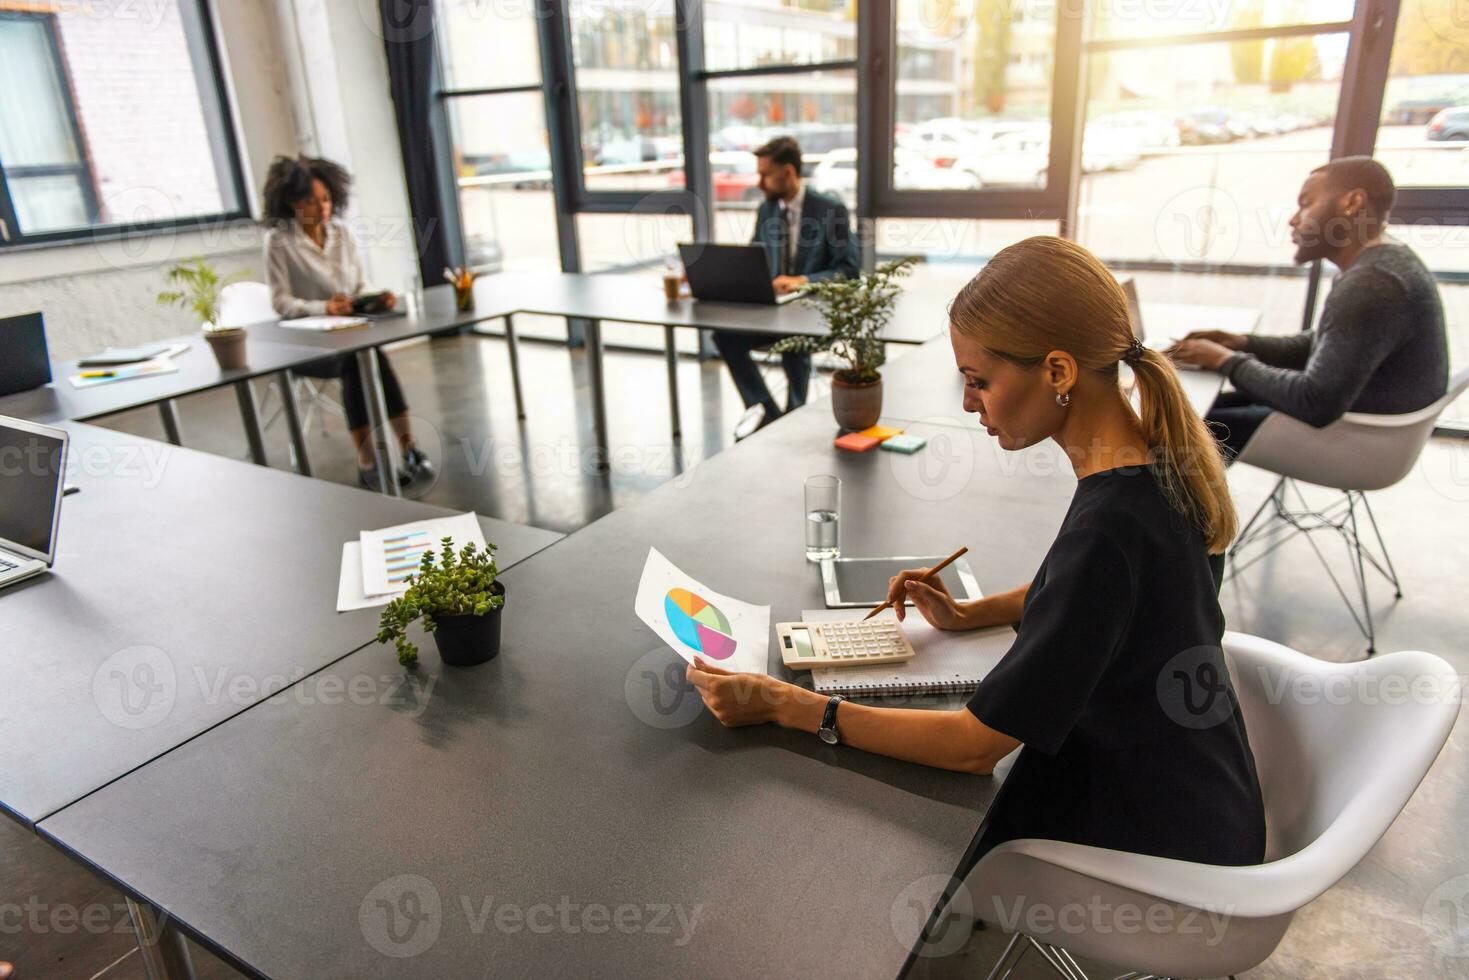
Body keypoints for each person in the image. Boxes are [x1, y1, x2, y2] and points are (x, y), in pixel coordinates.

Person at [688, 236, 1266, 867]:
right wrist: (970, 613)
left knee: (848, 830)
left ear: (1057, 372)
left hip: (1148, 839)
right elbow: (1114, 602)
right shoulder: (1160, 463)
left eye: (979, 381)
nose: (968, 404)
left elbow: (970, 747)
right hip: (1202, 801)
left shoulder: (1110, 529)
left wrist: (786, 704)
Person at [1169, 157, 1448, 459]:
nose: (1293, 219)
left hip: (1364, 438)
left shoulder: (1372, 284)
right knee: (1195, 411)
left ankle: (1169, 504)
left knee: (1177, 431)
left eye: (1306, 203)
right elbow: (1325, 344)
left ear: (1352, 203)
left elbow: (1314, 402)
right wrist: (1244, 344)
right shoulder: (1385, 261)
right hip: (1369, 418)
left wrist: (1226, 361)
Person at [262, 156, 432, 489]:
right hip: (307, 346)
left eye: (326, 199)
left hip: (348, 333)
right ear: (292, 202)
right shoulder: (279, 242)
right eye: (311, 199)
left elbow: (358, 287)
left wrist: (375, 298)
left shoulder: (342, 234)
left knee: (370, 355)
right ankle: (369, 459)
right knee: (360, 359)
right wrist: (322, 307)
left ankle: (408, 449)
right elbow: (281, 302)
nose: (322, 207)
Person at [712, 136, 861, 436]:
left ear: (789, 172)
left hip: (815, 312)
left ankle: (793, 414)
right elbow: (752, 260)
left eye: (766, 174)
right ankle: (769, 411)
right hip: (774, 312)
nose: (760, 182)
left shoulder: (831, 210)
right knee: (725, 336)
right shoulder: (767, 210)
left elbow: (849, 271)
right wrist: (722, 277)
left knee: (794, 340)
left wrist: (802, 281)